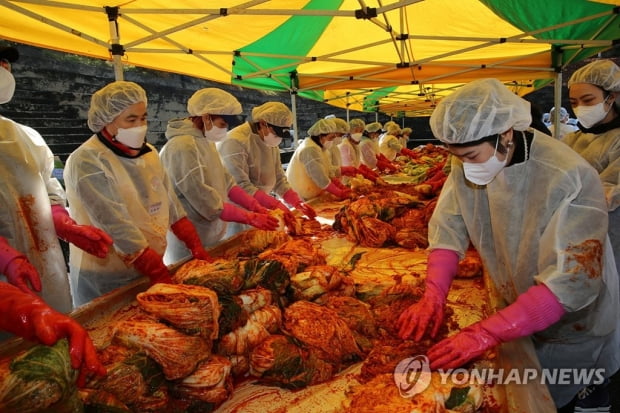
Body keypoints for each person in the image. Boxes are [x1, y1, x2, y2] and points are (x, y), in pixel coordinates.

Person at [397, 78, 619, 412]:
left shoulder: (566, 175)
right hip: (515, 300)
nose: (467, 165)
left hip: (571, 324)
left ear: (505, 134)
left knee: (551, 396)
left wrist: (485, 333)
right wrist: (433, 294)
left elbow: (570, 282)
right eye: (459, 157)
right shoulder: (471, 163)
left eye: (471, 155)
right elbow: (449, 226)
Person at [64, 81, 213, 306]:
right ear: (107, 120)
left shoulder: (149, 153)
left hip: (148, 264)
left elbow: (171, 205)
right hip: (106, 275)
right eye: (131, 120)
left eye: (143, 118)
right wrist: (159, 273)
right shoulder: (88, 160)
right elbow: (115, 223)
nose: (140, 126)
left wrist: (195, 245)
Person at [0, 45, 112, 313]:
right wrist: (5, 258)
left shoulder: (24, 136)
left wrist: (63, 223)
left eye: (5, 62)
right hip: (5, 286)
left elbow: (48, 188)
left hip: (44, 264)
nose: (4, 69)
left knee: (56, 337)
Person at [159, 88, 279, 263]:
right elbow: (205, 199)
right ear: (206, 117)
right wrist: (249, 217)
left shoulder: (205, 142)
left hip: (212, 233)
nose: (224, 130)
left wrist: (255, 206)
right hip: (188, 242)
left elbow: (228, 183)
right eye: (222, 124)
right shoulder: (182, 147)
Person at [564, 59, 620, 279]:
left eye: (588, 100)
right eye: (574, 102)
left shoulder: (616, 140)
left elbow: (607, 193)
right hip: (573, 231)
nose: (580, 108)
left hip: (610, 232)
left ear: (611, 96)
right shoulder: (572, 139)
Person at [218, 101, 317, 226]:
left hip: (261, 206)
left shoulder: (269, 140)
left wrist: (297, 202)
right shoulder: (235, 142)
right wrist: (275, 204)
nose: (278, 139)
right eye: (276, 133)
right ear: (263, 123)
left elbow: (278, 178)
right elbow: (240, 186)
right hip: (237, 213)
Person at [286, 119, 353, 201]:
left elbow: (328, 170)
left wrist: (340, 185)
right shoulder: (309, 149)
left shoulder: (322, 148)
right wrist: (339, 193)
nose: (332, 141)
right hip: (301, 195)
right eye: (331, 138)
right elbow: (320, 177)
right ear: (321, 136)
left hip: (313, 193)